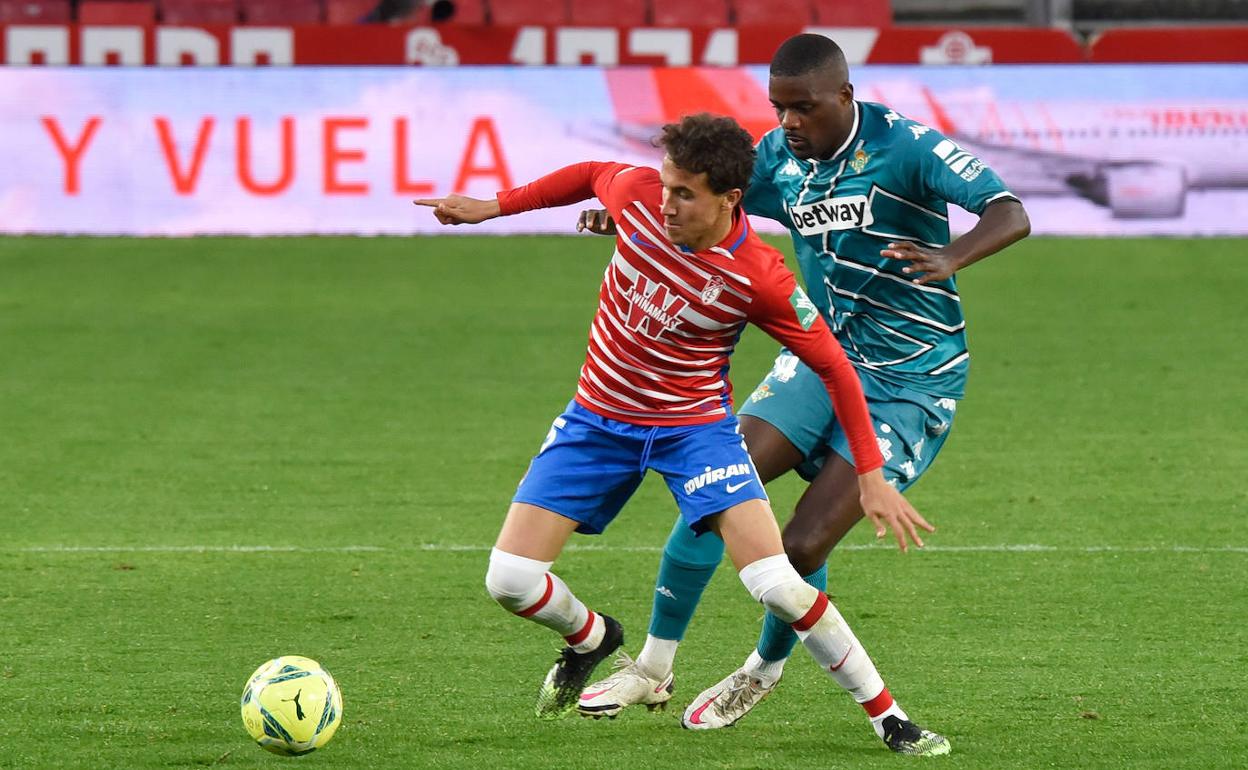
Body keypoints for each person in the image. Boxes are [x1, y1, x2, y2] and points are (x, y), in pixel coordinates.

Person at [415, 113, 950, 756]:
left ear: (729, 200)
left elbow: (835, 365)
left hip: (694, 430)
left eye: (683, 193)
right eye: (665, 186)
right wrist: (491, 207)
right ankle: (593, 640)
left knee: (777, 583)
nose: (663, 202)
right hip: (596, 420)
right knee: (510, 581)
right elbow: (590, 175)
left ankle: (888, 717)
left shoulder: (760, 275)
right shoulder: (639, 198)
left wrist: (869, 475)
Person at [577, 33, 1031, 731]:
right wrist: (634, 212)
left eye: (803, 109)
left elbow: (1009, 210)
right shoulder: (781, 158)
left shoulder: (907, 147)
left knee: (801, 546)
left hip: (911, 377)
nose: (788, 123)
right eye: (778, 108)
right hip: (819, 360)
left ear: (843, 97)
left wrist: (951, 255)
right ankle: (652, 667)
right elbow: (701, 198)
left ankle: (762, 669)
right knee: (712, 491)